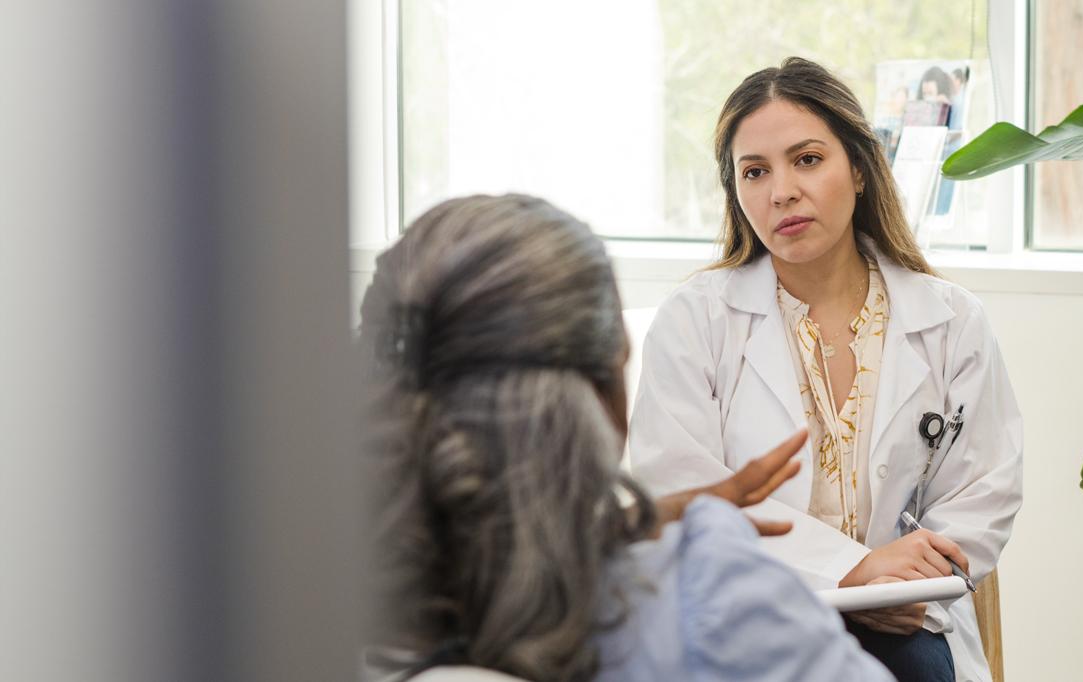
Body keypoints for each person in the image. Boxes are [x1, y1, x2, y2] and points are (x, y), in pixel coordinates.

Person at [358, 194, 894, 682]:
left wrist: (614, 526)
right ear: (607, 389)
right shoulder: (707, 598)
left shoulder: (310, 599)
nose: (783, 192)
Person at [628, 57, 1023, 682]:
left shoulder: (950, 320)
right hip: (751, 611)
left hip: (908, 620)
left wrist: (914, 583)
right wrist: (852, 571)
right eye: (754, 172)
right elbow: (681, 496)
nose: (781, 190)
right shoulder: (694, 320)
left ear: (860, 170)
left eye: (807, 159)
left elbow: (985, 489)